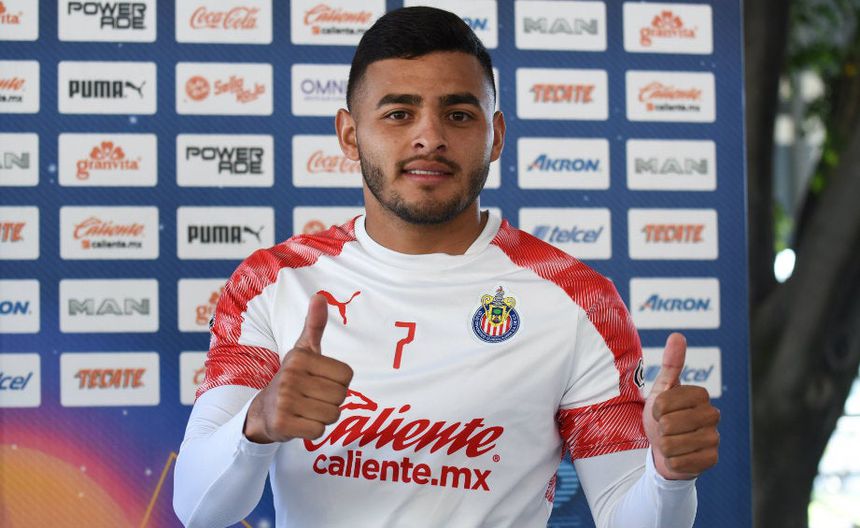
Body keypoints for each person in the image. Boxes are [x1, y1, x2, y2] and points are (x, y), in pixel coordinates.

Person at [173, 7, 720, 528]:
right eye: (398, 113)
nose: (430, 137)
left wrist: (668, 477)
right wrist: (258, 423)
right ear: (349, 135)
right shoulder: (274, 282)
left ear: (495, 135)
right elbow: (197, 509)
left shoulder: (578, 298)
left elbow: (627, 513)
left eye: (458, 115)